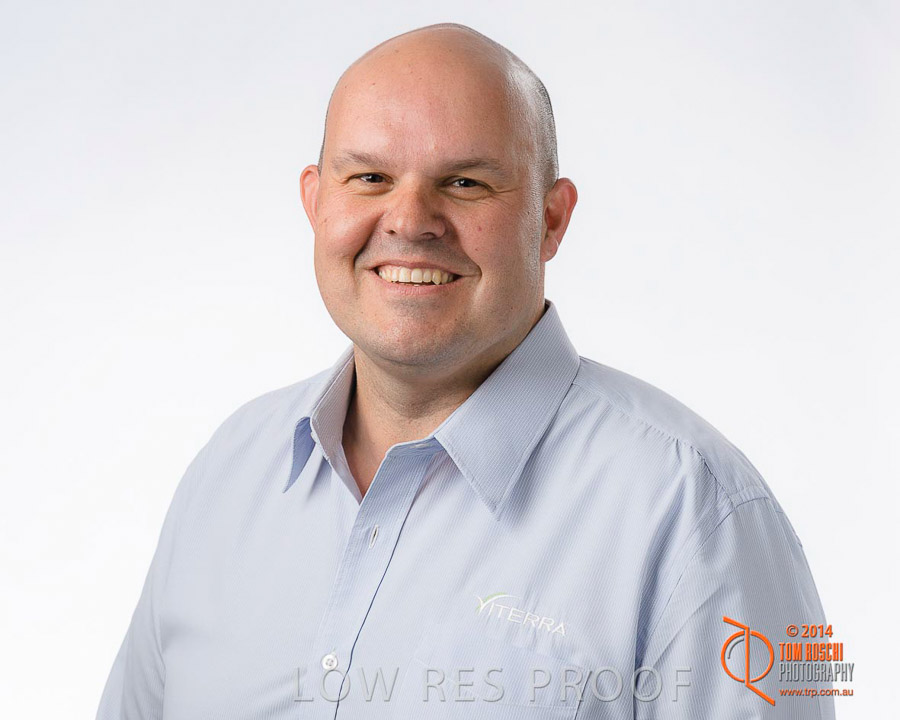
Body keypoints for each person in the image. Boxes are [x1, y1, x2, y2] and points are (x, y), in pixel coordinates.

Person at [97, 22, 836, 720]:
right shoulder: (228, 472)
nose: (410, 219)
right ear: (315, 201)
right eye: (370, 177)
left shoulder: (696, 510)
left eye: (465, 183)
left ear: (551, 219)